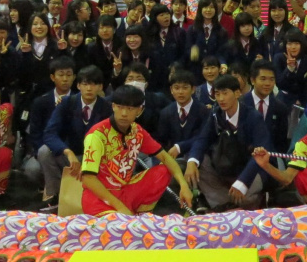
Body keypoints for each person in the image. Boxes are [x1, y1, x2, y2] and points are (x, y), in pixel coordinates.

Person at [78, 84, 193, 216]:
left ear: (140, 110)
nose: (124, 113)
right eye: (120, 107)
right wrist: (120, 207)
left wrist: (184, 185)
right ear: (113, 106)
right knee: (120, 228)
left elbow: (166, 158)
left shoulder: (137, 131)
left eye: (130, 108)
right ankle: (129, 215)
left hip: (125, 191)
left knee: (164, 170)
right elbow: (87, 178)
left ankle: (141, 213)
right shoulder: (97, 134)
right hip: (99, 198)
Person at [185, 74, 271, 211]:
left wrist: (243, 182)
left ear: (237, 93)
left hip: (249, 168)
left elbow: (261, 154)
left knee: (246, 194)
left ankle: (225, 203)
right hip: (225, 166)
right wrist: (192, 162)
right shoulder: (216, 114)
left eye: (225, 93)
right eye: (217, 94)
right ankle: (228, 205)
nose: (221, 99)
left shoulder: (253, 117)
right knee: (197, 162)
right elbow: (202, 139)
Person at [38, 65, 111, 208]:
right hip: (71, 157)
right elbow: (49, 133)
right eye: (85, 84)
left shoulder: (107, 107)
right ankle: (57, 195)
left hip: (96, 159)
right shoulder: (67, 102)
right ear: (78, 85)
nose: (89, 88)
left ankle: (97, 197)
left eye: (93, 84)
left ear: (100, 87)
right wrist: (67, 151)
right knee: (44, 151)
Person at [21, 56, 76, 191]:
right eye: (61, 75)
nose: (65, 79)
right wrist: (44, 153)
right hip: (47, 150)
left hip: (73, 151)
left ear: (74, 77)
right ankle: (52, 192)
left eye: (68, 75)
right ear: (52, 77)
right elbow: (35, 133)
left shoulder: (80, 99)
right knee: (32, 169)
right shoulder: (40, 102)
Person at [156, 70, 210, 158]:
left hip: (197, 156)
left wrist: (180, 147)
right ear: (171, 90)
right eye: (176, 88)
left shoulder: (203, 111)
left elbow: (203, 137)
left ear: (193, 89)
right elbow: (162, 141)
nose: (180, 92)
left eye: (185, 88)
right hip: (172, 158)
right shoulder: (166, 112)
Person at [242, 59, 292, 153]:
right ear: (252, 80)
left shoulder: (280, 108)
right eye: (263, 79)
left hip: (270, 159)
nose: (268, 84)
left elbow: (281, 143)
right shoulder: (241, 104)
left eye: (271, 79)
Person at [273, 30, 307, 105]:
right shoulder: (279, 58)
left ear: (302, 45)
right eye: (289, 44)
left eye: (296, 44)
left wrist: (301, 101)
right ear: (285, 45)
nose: (293, 47)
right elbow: (280, 84)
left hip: (304, 99)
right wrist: (289, 69)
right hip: (284, 99)